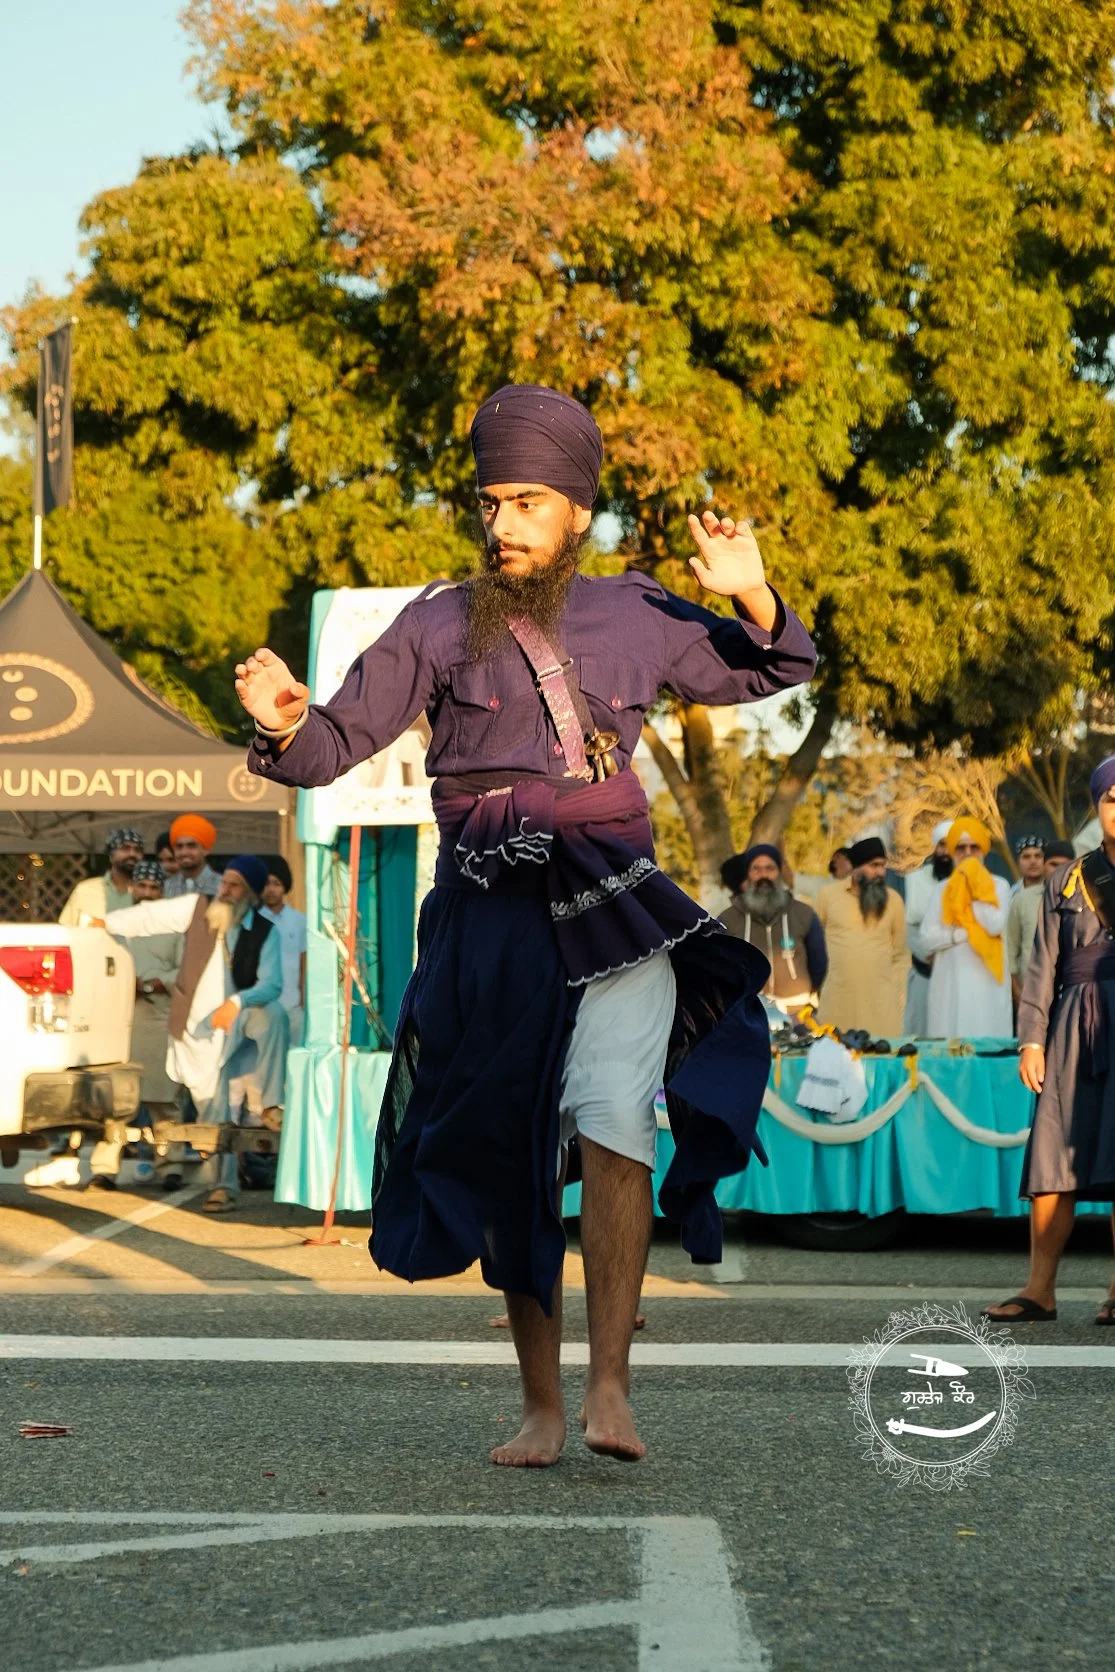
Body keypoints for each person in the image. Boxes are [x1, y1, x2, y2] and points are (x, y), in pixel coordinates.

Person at [235, 380, 816, 1467]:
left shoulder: (636, 611)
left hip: (611, 899)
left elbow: (778, 665)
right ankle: (540, 1404)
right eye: (488, 501)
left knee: (614, 1128)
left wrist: (751, 592)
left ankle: (608, 1389)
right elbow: (328, 749)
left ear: (573, 508)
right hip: (485, 914)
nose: (499, 523)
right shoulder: (434, 621)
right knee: (506, 1145)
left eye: (523, 502)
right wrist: (281, 722)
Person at [982, 760, 1115, 1325]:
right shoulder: (1067, 880)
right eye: (1112, 799)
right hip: (1071, 1028)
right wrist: (1030, 1041)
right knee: (1052, 1162)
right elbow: (1041, 967)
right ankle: (1040, 1291)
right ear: (1098, 807)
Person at [99, 855, 288, 1214]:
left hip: (241, 1022)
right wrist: (103, 922)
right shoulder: (196, 908)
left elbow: (273, 984)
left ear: (250, 893)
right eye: (225, 882)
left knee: (273, 1014)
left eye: (235, 885)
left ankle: (270, 1103)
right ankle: (223, 1186)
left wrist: (237, 1001)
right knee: (213, 1108)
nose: (225, 890)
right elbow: (148, 917)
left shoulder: (267, 931)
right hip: (200, 1030)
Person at [89, 859, 187, 1189]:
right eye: (141, 886)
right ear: (132, 889)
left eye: (153, 887)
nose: (146, 893)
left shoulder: (174, 927)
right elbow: (98, 963)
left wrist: (153, 983)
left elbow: (185, 971)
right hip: (118, 1021)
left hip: (157, 1017)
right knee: (116, 1101)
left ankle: (171, 1165)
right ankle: (104, 1168)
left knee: (163, 1098)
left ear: (162, 891)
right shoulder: (115, 926)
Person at [921, 817, 1012, 1038]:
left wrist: (975, 888)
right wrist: (957, 935)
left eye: (974, 847)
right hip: (949, 985)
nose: (968, 853)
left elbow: (995, 925)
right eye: (961, 848)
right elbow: (926, 939)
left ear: (983, 851)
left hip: (988, 988)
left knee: (988, 1046)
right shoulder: (942, 889)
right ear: (952, 852)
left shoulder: (999, 886)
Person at [814, 837, 908, 1038]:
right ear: (855, 867)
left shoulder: (894, 901)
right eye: (874, 866)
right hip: (837, 1003)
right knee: (834, 1064)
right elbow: (814, 944)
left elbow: (899, 955)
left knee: (882, 1064)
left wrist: (898, 998)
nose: (881, 872)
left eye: (883, 866)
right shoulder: (828, 896)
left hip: (881, 1007)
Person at [718, 844, 827, 1017]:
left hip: (798, 1012)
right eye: (756, 869)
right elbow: (719, 969)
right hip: (747, 1013)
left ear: (779, 873)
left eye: (770, 868)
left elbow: (819, 964)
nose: (764, 875)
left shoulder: (804, 914)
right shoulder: (728, 920)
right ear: (748, 874)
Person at [902, 820, 953, 1035]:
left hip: (958, 973)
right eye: (942, 845)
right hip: (925, 970)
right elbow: (910, 928)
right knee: (920, 1035)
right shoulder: (916, 879)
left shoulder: (972, 881)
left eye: (952, 845)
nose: (946, 851)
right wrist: (928, 955)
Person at [261, 856, 307, 1048]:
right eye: (266, 884)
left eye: (277, 884)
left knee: (293, 1059)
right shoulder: (251, 921)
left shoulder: (299, 921)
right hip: (262, 1006)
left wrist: (303, 999)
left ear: (285, 886)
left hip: (292, 1005)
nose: (271, 889)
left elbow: (304, 961)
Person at [58, 827, 145, 925]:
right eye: (125, 848)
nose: (132, 854)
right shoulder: (85, 889)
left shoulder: (149, 893)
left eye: (137, 850)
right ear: (111, 855)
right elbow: (66, 929)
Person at [1006, 835, 1048, 1008]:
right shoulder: (1009, 896)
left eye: (1038, 856)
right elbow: (1010, 945)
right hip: (1023, 983)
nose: (1033, 861)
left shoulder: (1056, 893)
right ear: (1018, 861)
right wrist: (1014, 985)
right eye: (1026, 856)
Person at [163, 815, 222, 898]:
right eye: (179, 846)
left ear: (206, 850)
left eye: (191, 846)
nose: (184, 852)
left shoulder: (222, 886)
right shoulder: (166, 886)